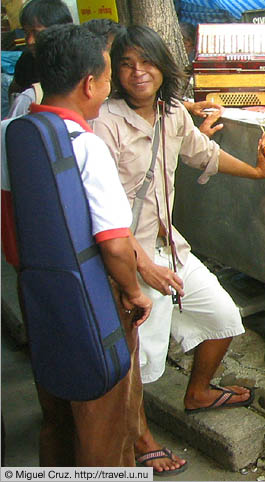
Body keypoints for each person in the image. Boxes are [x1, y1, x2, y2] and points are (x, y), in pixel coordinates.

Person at [92, 24, 265, 472]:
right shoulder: (104, 123)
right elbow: (106, 216)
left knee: (224, 318)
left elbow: (204, 154)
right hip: (125, 257)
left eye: (147, 62)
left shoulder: (172, 112)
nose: (138, 72)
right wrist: (145, 270)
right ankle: (140, 440)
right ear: (115, 73)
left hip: (170, 249)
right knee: (135, 360)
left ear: (163, 65)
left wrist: (257, 172)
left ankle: (198, 393)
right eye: (127, 64)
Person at [3, 24, 152, 466]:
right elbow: (115, 244)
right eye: (108, 77)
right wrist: (133, 291)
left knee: (57, 414)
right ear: (90, 84)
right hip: (92, 298)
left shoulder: (10, 132)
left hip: (36, 291)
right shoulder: (86, 146)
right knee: (103, 425)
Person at [7, 0, 73, 115]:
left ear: (61, 30)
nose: (30, 41)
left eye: (37, 33)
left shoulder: (77, 59)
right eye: (26, 33)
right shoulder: (27, 60)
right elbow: (14, 89)